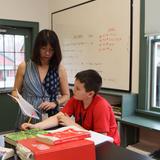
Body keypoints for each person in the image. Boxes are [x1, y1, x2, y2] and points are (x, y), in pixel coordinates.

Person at [21, 69, 120, 145]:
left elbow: (101, 138)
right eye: (74, 86)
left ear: (90, 94)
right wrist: (35, 126)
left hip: (107, 147)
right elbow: (58, 117)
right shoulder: (76, 99)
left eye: (78, 88)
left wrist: (73, 125)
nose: (73, 90)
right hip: (86, 139)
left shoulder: (101, 106)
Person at [12, 29, 70, 129]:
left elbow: (66, 95)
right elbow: (15, 91)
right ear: (37, 47)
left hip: (50, 118)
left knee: (49, 143)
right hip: (28, 116)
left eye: (51, 50)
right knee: (26, 142)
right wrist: (18, 99)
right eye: (43, 48)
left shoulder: (60, 69)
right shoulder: (24, 66)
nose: (47, 53)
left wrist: (55, 103)